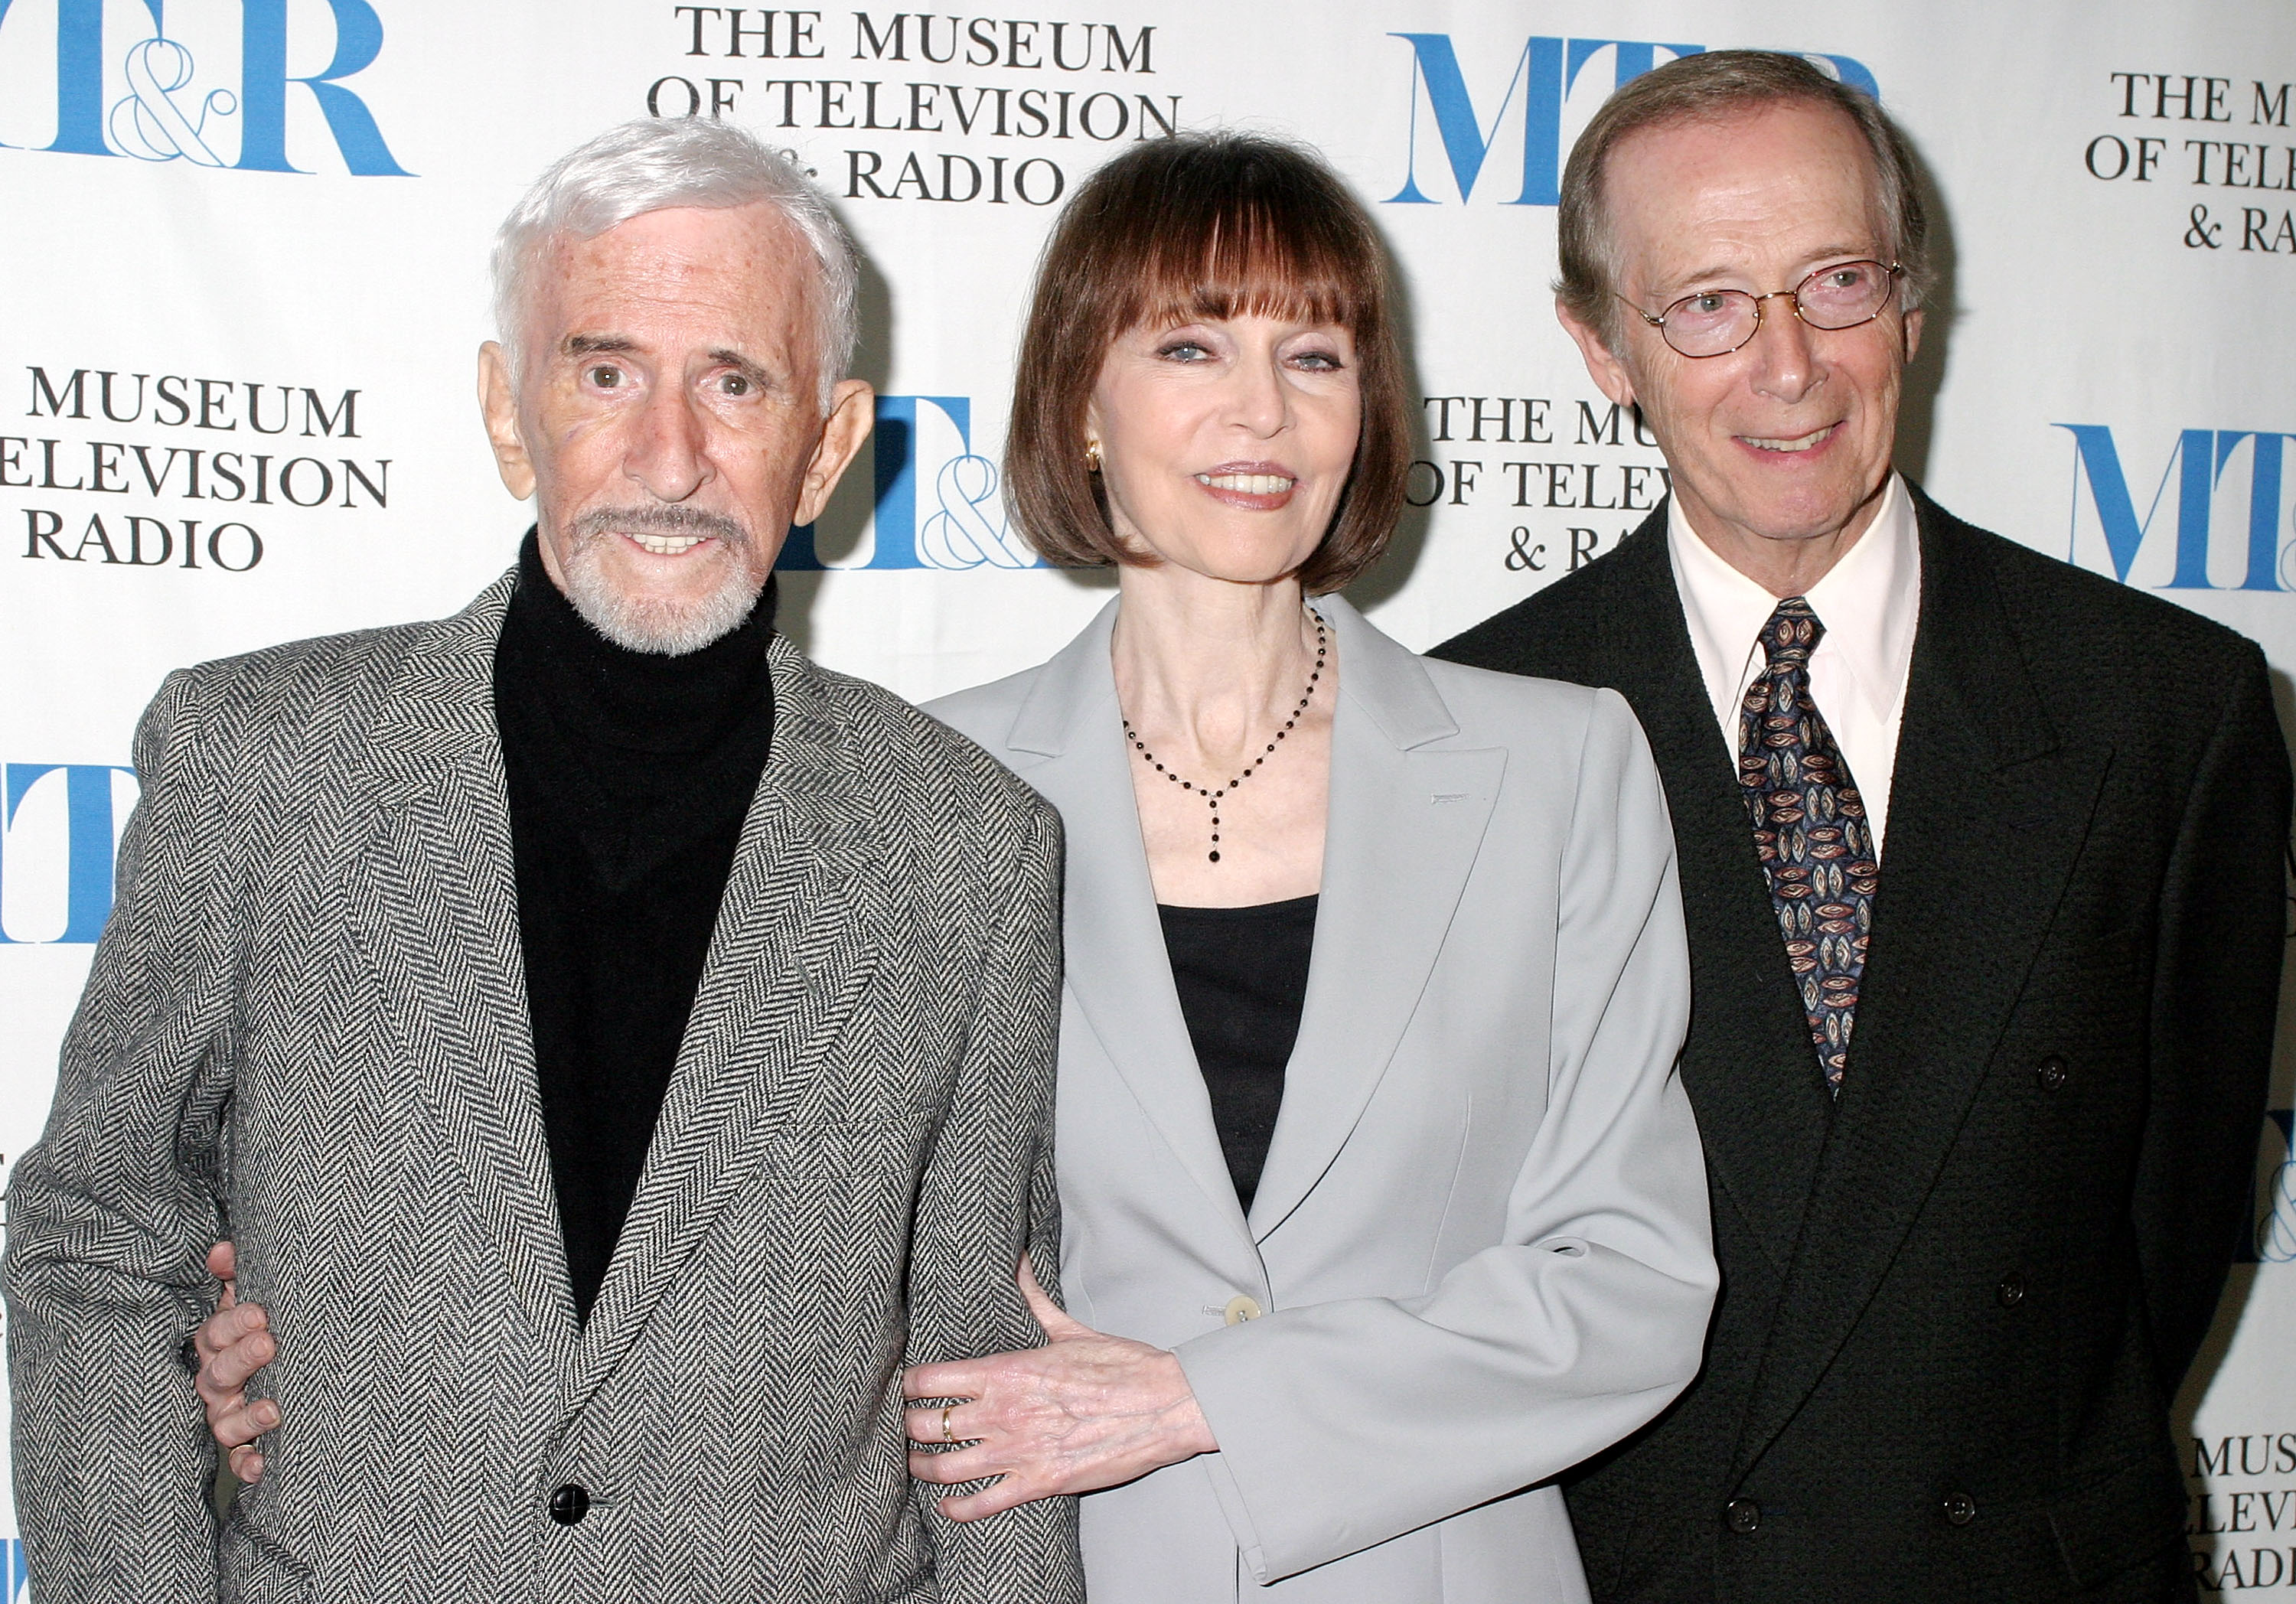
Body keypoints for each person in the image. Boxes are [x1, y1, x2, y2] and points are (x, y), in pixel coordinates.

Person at [191, 132, 1720, 1602]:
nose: (1261, 411)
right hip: (1061, 1566)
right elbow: (722, 1244)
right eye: (1192, 348)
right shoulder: (926, 808)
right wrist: (274, 1338)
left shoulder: (1559, 769)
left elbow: (1631, 1282)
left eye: (1312, 356)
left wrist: (1209, 1397)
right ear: (1085, 407)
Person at [5, 117, 1081, 1602]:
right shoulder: (259, 764)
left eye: (735, 382)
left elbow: (980, 1382)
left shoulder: (968, 849)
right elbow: (100, 1233)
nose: (669, 456)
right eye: (604, 372)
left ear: (827, 443)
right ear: (511, 414)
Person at [1434, 51, 2291, 1603]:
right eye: (1705, 305)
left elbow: (2170, 1233)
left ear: (1911, 305)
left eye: (1835, 284)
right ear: (1600, 348)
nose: (1788, 367)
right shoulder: (1458, 730)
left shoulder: (2164, 708)